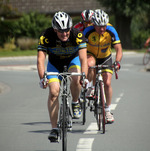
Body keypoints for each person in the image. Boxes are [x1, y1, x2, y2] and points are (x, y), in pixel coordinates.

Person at [37, 11, 88, 142]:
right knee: (54, 92)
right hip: (54, 65)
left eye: (67, 31)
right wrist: (43, 78)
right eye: (61, 31)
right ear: (55, 30)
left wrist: (84, 77)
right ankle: (54, 129)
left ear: (70, 28)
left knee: (76, 79)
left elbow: (83, 59)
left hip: (72, 61)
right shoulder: (46, 36)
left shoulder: (77, 35)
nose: (64, 34)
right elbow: (40, 60)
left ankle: (75, 102)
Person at [83, 9, 123, 123]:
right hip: (91, 55)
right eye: (99, 26)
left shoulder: (111, 30)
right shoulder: (87, 31)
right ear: (94, 24)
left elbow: (119, 48)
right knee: (90, 64)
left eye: (104, 26)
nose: (102, 29)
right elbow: (81, 49)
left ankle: (108, 110)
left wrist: (118, 62)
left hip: (106, 57)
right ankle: (90, 87)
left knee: (107, 83)